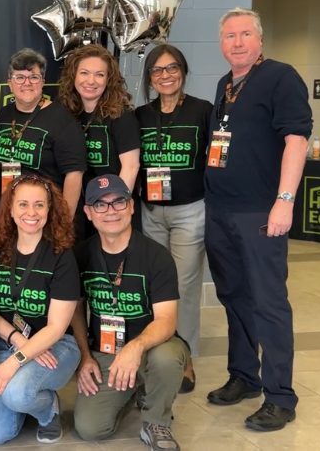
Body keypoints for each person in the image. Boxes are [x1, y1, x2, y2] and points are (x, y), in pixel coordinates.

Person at [204, 7, 312, 432]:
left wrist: (284, 201)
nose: (237, 42)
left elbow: (296, 141)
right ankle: (245, 376)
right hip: (221, 210)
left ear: (260, 40)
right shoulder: (225, 85)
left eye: (245, 34)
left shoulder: (281, 77)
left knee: (268, 303)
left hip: (260, 212)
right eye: (229, 36)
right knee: (234, 297)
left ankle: (280, 397)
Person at [70, 174, 188, 451]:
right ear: (87, 212)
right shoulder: (79, 255)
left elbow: (167, 320)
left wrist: (135, 348)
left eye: (118, 202)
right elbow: (75, 311)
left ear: (131, 206)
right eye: (100, 205)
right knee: (90, 429)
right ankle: (133, 390)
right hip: (104, 351)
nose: (110, 211)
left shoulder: (156, 255)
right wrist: (84, 357)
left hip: (152, 348)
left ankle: (156, 421)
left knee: (168, 358)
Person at [0, 175, 80, 445]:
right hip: (6, 342)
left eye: (39, 205)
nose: (30, 213)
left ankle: (47, 411)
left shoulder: (61, 254)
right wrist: (17, 340)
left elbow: (57, 326)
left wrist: (15, 361)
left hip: (56, 345)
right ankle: (27, 399)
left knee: (17, 394)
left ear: (49, 209)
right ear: (10, 208)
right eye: (22, 204)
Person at [135, 44, 213, 394]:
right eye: (157, 70)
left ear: (183, 71)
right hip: (150, 211)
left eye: (172, 68)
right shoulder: (141, 115)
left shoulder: (202, 111)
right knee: (154, 287)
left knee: (184, 287)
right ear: (149, 77)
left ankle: (186, 359)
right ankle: (157, 353)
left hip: (189, 211)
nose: (165, 76)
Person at [0, 48, 86, 239]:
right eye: (19, 77)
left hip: (45, 218)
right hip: (9, 214)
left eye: (33, 77)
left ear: (42, 82)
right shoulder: (3, 115)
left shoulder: (62, 121)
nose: (26, 83)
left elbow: (74, 175)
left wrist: (62, 223)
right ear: (10, 83)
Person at [58, 45, 141, 237]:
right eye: (84, 73)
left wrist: (112, 207)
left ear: (109, 80)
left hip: (111, 213)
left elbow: (130, 167)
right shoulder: (66, 114)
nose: (91, 81)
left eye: (99, 75)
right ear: (74, 76)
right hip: (79, 210)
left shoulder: (121, 115)